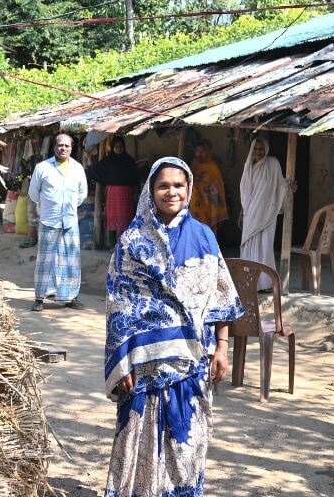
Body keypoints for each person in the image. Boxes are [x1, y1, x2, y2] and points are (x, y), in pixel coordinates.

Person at [104, 157, 244, 497]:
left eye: (179, 185)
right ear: (150, 191)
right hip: (144, 368)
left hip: (192, 363)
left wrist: (223, 350)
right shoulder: (131, 242)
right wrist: (122, 361)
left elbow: (220, 299)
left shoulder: (203, 237)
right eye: (163, 185)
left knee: (186, 445)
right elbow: (118, 306)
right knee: (138, 443)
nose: (172, 192)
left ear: (189, 189)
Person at [28, 133, 88, 311]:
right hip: (48, 220)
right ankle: (39, 299)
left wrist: (68, 207)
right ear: (54, 147)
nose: (63, 148)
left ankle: (70, 297)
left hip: (69, 221)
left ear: (71, 148)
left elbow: (82, 193)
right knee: (45, 260)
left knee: (71, 260)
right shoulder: (42, 168)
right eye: (60, 145)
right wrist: (48, 206)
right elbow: (33, 193)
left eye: (67, 146)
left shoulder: (78, 168)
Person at [239, 136, 286, 291]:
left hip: (267, 213)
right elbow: (246, 192)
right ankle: (249, 281)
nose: (258, 152)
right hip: (251, 213)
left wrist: (288, 187)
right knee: (249, 246)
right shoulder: (249, 166)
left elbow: (280, 184)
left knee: (265, 246)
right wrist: (243, 210)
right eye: (256, 149)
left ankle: (265, 283)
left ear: (266, 150)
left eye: (261, 149)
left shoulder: (273, 164)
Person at [88, 136, 140, 244]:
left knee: (126, 219)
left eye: (121, 146)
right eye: (116, 146)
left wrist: (136, 192)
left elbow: (135, 177)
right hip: (112, 193)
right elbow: (96, 170)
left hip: (127, 194)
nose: (119, 148)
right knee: (112, 218)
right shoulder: (108, 161)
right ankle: (113, 245)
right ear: (113, 148)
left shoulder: (129, 160)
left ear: (124, 147)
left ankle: (126, 244)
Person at [190, 139, 229, 235]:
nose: (200, 154)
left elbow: (218, 185)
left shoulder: (213, 166)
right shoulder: (194, 165)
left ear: (207, 151)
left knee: (208, 228)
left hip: (209, 203)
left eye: (203, 151)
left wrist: (205, 189)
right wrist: (193, 167)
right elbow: (187, 181)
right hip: (195, 204)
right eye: (198, 151)